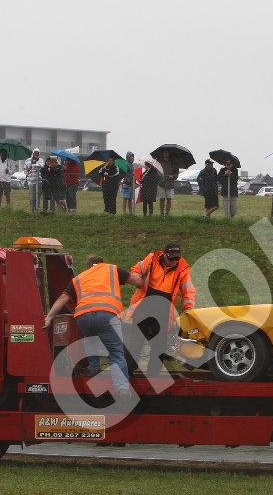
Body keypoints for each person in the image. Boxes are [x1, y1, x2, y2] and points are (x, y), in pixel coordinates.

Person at [43, 255, 142, 397]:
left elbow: (63, 298)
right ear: (101, 263)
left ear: (88, 267)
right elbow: (135, 280)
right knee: (116, 353)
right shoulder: (111, 269)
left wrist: (49, 318)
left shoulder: (79, 278)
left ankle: (94, 367)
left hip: (83, 316)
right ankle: (122, 389)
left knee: (90, 338)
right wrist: (143, 282)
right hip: (107, 314)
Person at [123, 243, 196, 376]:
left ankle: (153, 373)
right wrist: (137, 279)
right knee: (136, 340)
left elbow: (188, 291)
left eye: (177, 258)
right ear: (164, 255)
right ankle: (128, 371)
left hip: (164, 310)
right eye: (171, 258)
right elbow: (136, 270)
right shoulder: (151, 259)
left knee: (159, 343)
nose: (174, 261)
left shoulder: (183, 268)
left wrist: (188, 309)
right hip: (144, 306)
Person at [157, 150, 178, 216]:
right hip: (161, 183)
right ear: (163, 154)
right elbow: (157, 171)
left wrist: (173, 176)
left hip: (170, 184)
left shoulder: (173, 163)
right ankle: (161, 214)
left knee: (169, 199)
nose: (165, 154)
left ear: (169, 154)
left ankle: (167, 214)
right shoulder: (160, 162)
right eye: (164, 152)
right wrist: (159, 176)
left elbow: (176, 173)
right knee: (162, 199)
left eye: (167, 153)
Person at [25, 148, 45, 214]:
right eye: (35, 153)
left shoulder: (40, 160)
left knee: (38, 196)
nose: (36, 154)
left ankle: (37, 209)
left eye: (37, 153)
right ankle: (32, 209)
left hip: (38, 181)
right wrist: (28, 170)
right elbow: (25, 169)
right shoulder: (28, 160)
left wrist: (32, 166)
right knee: (32, 196)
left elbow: (41, 165)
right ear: (33, 153)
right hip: (31, 181)